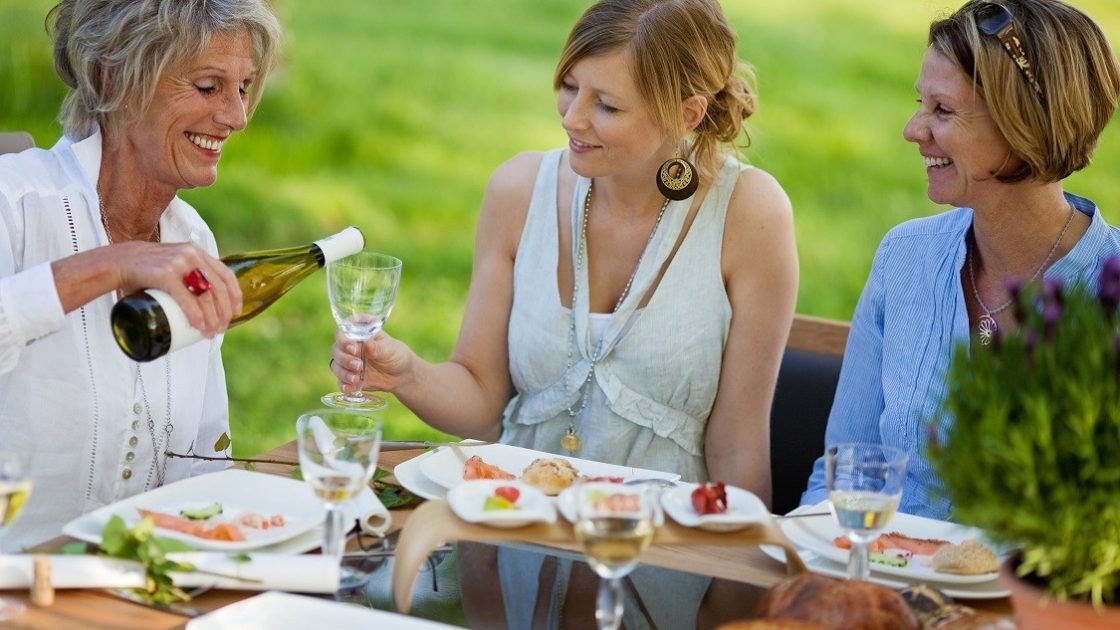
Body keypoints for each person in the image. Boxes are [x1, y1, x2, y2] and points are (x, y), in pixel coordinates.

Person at [332, 0, 797, 625]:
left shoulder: (750, 214)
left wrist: (732, 609)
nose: (573, 119)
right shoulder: (518, 191)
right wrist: (405, 373)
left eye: (606, 105)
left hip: (662, 565)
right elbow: (480, 399)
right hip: (499, 562)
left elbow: (740, 449)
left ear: (686, 113)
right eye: (569, 87)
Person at [802, 0, 1120, 520]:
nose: (913, 130)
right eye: (920, 104)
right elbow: (840, 475)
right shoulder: (904, 257)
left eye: (942, 110)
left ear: (1024, 124)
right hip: (881, 581)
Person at [0, 0, 281, 550]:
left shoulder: (193, 239)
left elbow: (201, 458)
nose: (236, 116)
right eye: (207, 87)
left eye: (244, 87)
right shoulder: (16, 201)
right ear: (116, 77)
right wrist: (112, 263)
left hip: (134, 587)